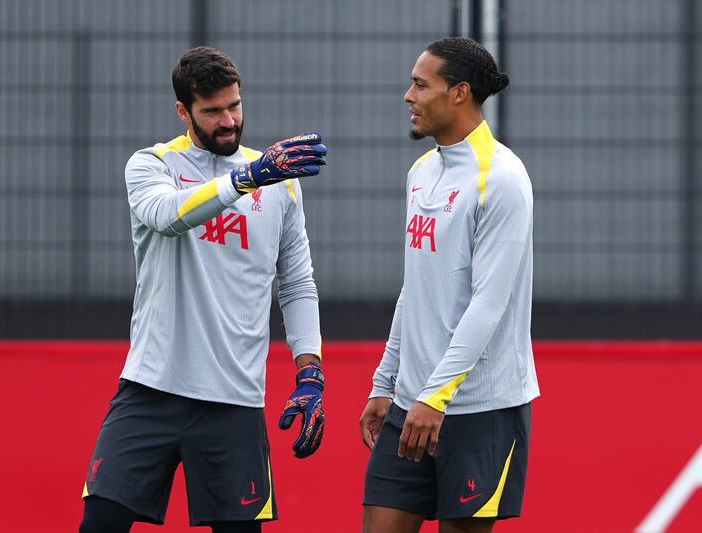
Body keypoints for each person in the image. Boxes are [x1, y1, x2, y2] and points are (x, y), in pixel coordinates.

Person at [79, 46, 327, 533]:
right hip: (150, 390)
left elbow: (298, 283)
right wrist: (247, 179)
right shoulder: (152, 165)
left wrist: (310, 372)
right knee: (99, 525)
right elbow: (168, 216)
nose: (229, 121)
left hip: (235, 400)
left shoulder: (279, 181)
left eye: (234, 105)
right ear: (183, 111)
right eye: (212, 111)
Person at [359, 37, 540, 533]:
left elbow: (489, 304)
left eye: (421, 85)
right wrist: (385, 384)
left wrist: (435, 398)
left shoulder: (502, 178)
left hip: (481, 411)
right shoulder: (421, 171)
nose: (408, 96)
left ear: (459, 93)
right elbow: (415, 290)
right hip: (411, 404)